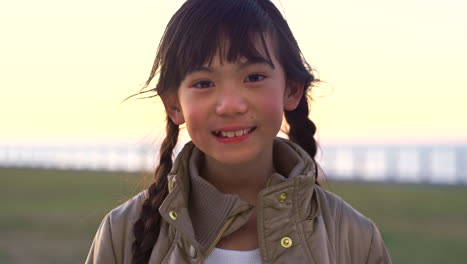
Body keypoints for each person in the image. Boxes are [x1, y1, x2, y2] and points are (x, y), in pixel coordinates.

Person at [86, 0, 392, 263]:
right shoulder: (123, 232)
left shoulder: (354, 238)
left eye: (254, 77)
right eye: (204, 83)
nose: (230, 105)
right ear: (173, 105)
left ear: (292, 90)